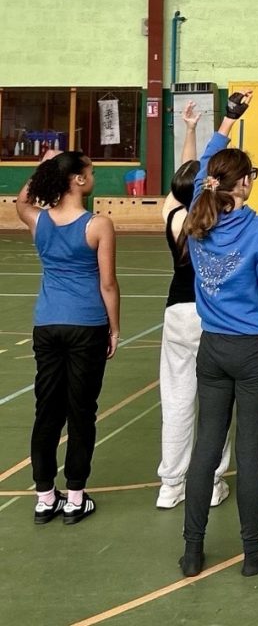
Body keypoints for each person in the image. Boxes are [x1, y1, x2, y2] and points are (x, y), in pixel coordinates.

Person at [178, 91, 258, 579]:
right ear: (245, 184)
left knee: (206, 448)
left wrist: (229, 119)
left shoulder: (198, 212)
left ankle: (192, 551)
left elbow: (207, 163)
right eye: (251, 175)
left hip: (212, 349)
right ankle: (253, 553)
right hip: (254, 352)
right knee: (251, 453)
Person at [16, 149, 120, 526]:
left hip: (47, 325)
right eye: (89, 171)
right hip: (86, 324)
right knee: (81, 411)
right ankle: (75, 496)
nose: (93, 176)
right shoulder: (97, 225)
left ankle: (45, 497)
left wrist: (45, 163)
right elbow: (107, 283)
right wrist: (115, 327)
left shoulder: (39, 221)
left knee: (47, 410)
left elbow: (22, 200)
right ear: (77, 180)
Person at [156, 100, 231, 510]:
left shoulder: (172, 217)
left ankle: (170, 485)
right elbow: (191, 178)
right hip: (212, 314)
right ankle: (214, 480)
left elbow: (184, 180)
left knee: (177, 400)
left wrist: (189, 131)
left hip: (176, 314)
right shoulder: (216, 219)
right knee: (214, 402)